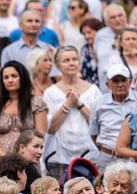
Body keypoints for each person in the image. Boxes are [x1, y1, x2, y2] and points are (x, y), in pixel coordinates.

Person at [42, 45, 101, 178]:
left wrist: (78, 104)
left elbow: (98, 124)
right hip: (59, 156)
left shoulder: (93, 90)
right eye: (66, 60)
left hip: (88, 155)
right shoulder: (50, 93)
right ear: (58, 66)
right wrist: (68, 103)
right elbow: (50, 127)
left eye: (74, 59)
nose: (71, 63)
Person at [0, 61, 47, 176]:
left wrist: (25, 156)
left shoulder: (36, 102)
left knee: (35, 189)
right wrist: (3, 157)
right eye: (6, 77)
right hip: (0, 159)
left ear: (22, 78)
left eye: (14, 76)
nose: (10, 80)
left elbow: (40, 134)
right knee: (2, 191)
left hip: (28, 160)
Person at [89, 63, 137, 172]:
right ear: (107, 84)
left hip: (134, 156)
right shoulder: (98, 104)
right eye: (115, 81)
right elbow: (94, 133)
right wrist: (107, 150)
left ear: (130, 82)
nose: (120, 84)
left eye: (123, 80)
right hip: (108, 156)